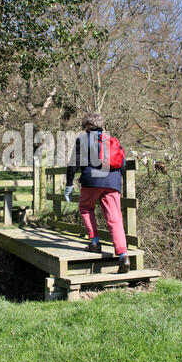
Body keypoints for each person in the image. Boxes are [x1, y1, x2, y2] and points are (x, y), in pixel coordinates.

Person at [64, 112, 130, 274]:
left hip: (91, 180)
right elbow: (123, 164)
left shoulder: (83, 139)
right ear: (102, 125)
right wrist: (116, 181)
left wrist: (69, 184)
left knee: (86, 208)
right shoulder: (111, 140)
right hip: (112, 182)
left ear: (85, 125)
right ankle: (123, 254)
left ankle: (94, 242)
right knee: (114, 217)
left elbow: (73, 164)